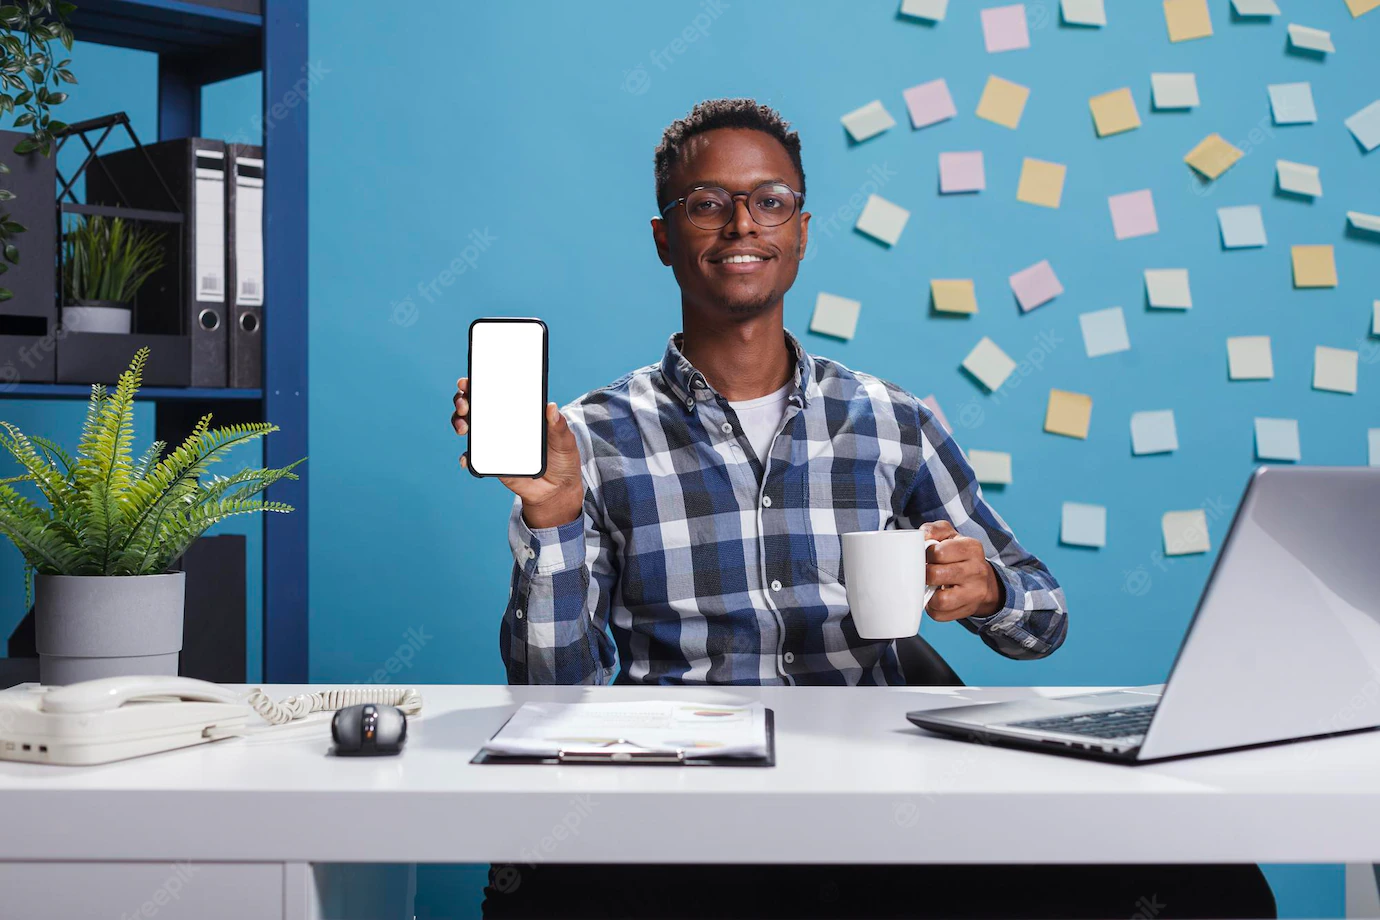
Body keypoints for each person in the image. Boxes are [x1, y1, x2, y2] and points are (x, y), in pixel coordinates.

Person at [452, 99, 1275, 919]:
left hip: (877, 804)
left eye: (768, 201)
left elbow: (1044, 621)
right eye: (707, 203)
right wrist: (554, 514)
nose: (742, 224)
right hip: (678, 813)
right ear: (666, 237)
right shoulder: (589, 437)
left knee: (1215, 886)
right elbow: (549, 697)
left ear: (801, 231)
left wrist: (987, 590)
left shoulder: (892, 419)